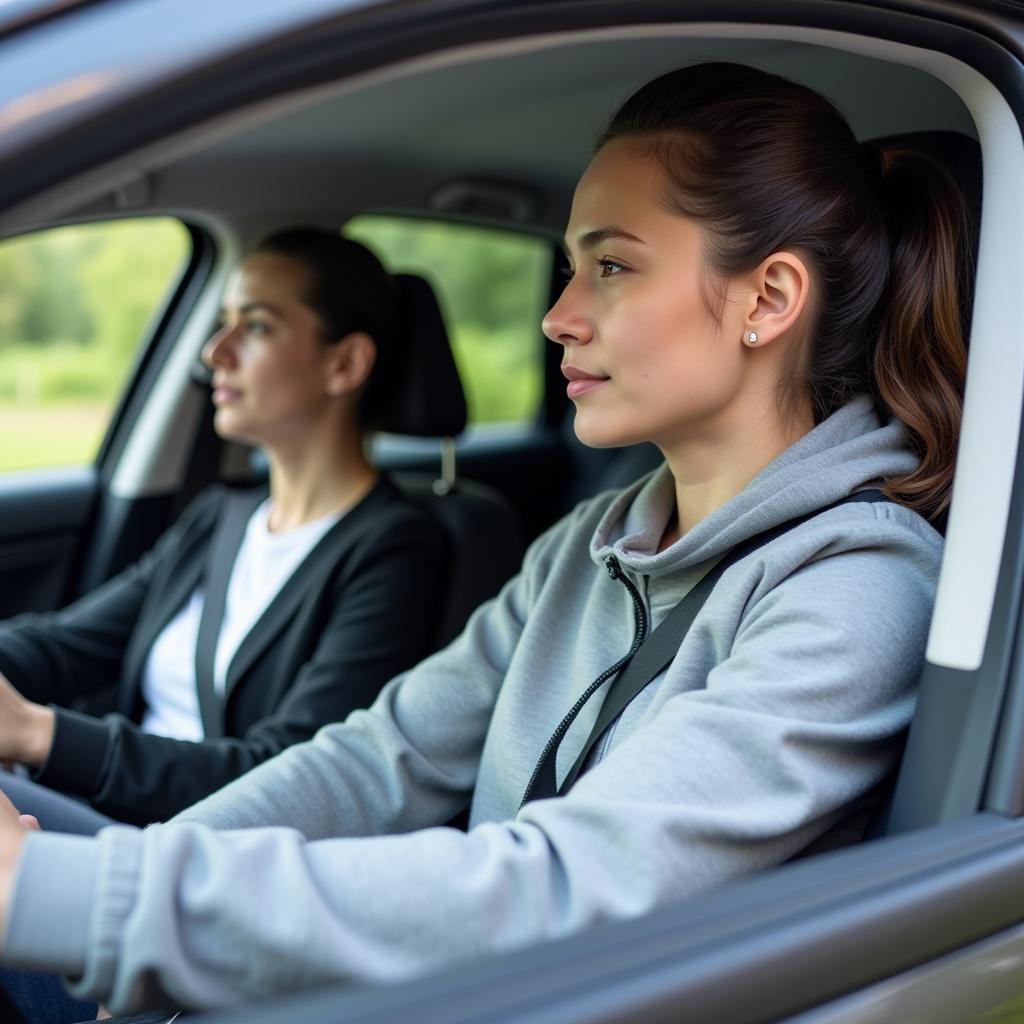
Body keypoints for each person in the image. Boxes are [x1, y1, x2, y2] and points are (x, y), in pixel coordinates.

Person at [0, 62, 970, 1018]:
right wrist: (123, 896)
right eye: (568, 269)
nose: (558, 315)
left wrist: (82, 901)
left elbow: (565, 885)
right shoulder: (585, 545)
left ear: (766, 299)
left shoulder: (856, 589)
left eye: (612, 266)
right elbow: (379, 759)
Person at [0, 227, 446, 830]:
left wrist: (35, 733)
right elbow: (67, 644)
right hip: (106, 811)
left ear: (345, 363)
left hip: (199, 853)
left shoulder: (396, 550)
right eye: (224, 322)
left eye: (256, 326)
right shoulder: (222, 516)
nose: (215, 352)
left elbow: (290, 776)